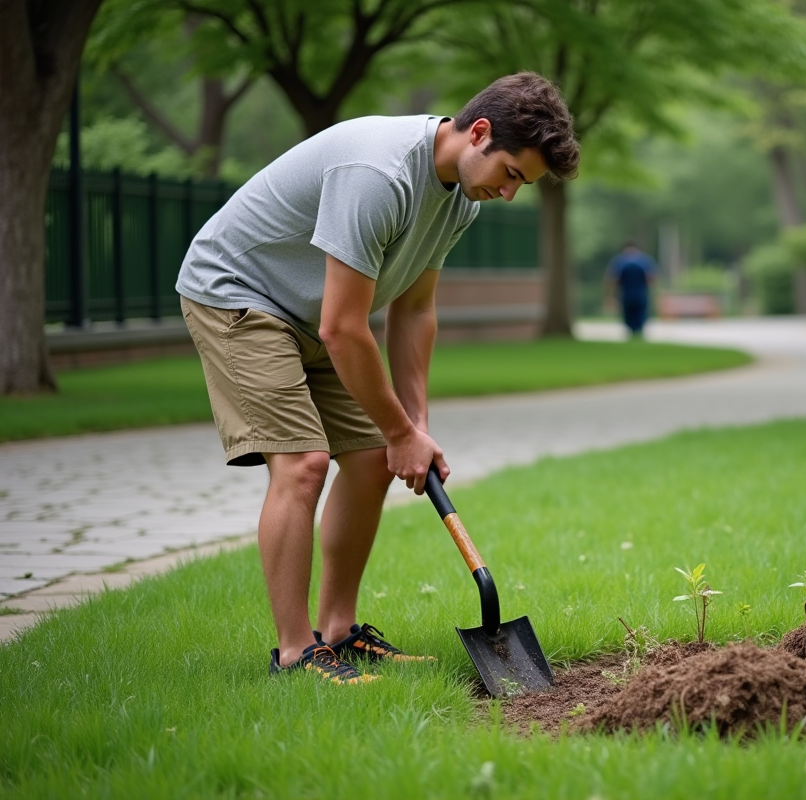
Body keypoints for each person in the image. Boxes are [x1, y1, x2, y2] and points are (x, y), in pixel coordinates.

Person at [176, 73, 580, 684]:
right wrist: (400, 429)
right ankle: (295, 654)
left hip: (314, 314)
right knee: (305, 463)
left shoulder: (461, 199)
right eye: (513, 174)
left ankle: (338, 633)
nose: (511, 193)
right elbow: (345, 327)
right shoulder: (381, 175)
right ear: (479, 133)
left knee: (371, 460)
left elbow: (415, 312)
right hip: (239, 294)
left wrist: (413, 426)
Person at [607, 242, 657, 337]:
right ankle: (637, 331)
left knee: (630, 314)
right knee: (638, 314)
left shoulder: (620, 261)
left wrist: (610, 294)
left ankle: (633, 331)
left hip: (628, 292)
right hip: (638, 292)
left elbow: (613, 279)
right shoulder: (644, 260)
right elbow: (651, 278)